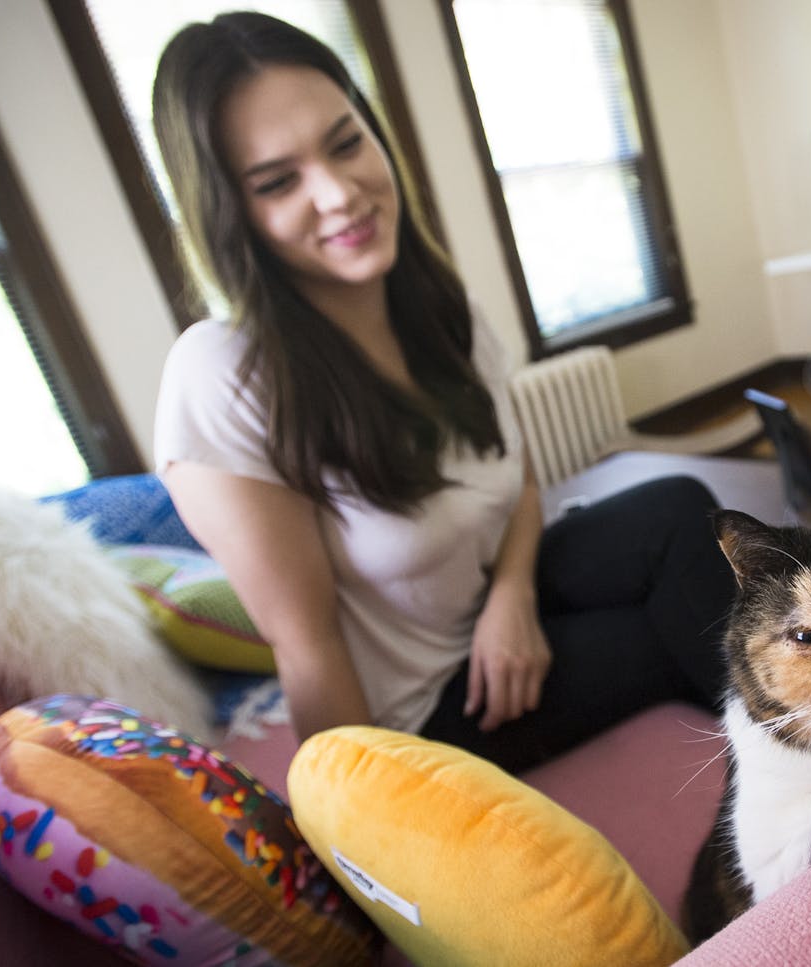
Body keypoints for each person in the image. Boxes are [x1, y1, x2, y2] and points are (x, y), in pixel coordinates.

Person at [150, 11, 736, 773]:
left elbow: (519, 475)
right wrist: (376, 832)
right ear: (233, 215)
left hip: (492, 605)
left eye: (345, 141)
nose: (339, 193)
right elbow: (307, 647)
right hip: (435, 704)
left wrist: (512, 598)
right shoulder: (223, 373)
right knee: (678, 629)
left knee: (679, 505)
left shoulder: (435, 307)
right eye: (278, 181)